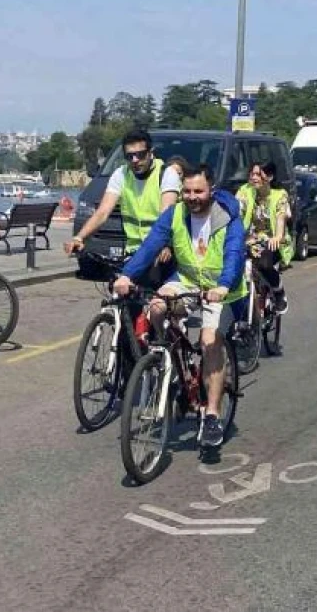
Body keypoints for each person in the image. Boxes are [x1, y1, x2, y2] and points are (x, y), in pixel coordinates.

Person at [112, 165, 246, 448]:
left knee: (210, 342)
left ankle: (211, 414)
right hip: (185, 280)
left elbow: (234, 255)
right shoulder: (175, 214)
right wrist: (127, 274)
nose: (192, 196)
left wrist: (222, 286)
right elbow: (151, 245)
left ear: (211, 190)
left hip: (223, 289)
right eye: (186, 191)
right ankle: (167, 361)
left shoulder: (228, 217)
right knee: (156, 307)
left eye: (198, 191)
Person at [65, 129, 181, 288]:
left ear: (150, 153)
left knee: (156, 306)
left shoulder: (167, 174)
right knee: (122, 296)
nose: (134, 160)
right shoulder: (121, 174)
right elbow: (103, 212)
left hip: (161, 252)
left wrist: (166, 245)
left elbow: (166, 217)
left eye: (140, 155)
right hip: (133, 251)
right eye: (129, 156)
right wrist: (79, 238)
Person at [237, 162, 291, 313]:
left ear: (270, 177)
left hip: (271, 241)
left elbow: (281, 218)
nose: (254, 178)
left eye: (258, 174)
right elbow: (236, 213)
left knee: (265, 265)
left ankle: (279, 293)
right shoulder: (245, 191)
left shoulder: (280, 195)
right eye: (252, 174)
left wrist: (278, 236)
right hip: (248, 239)